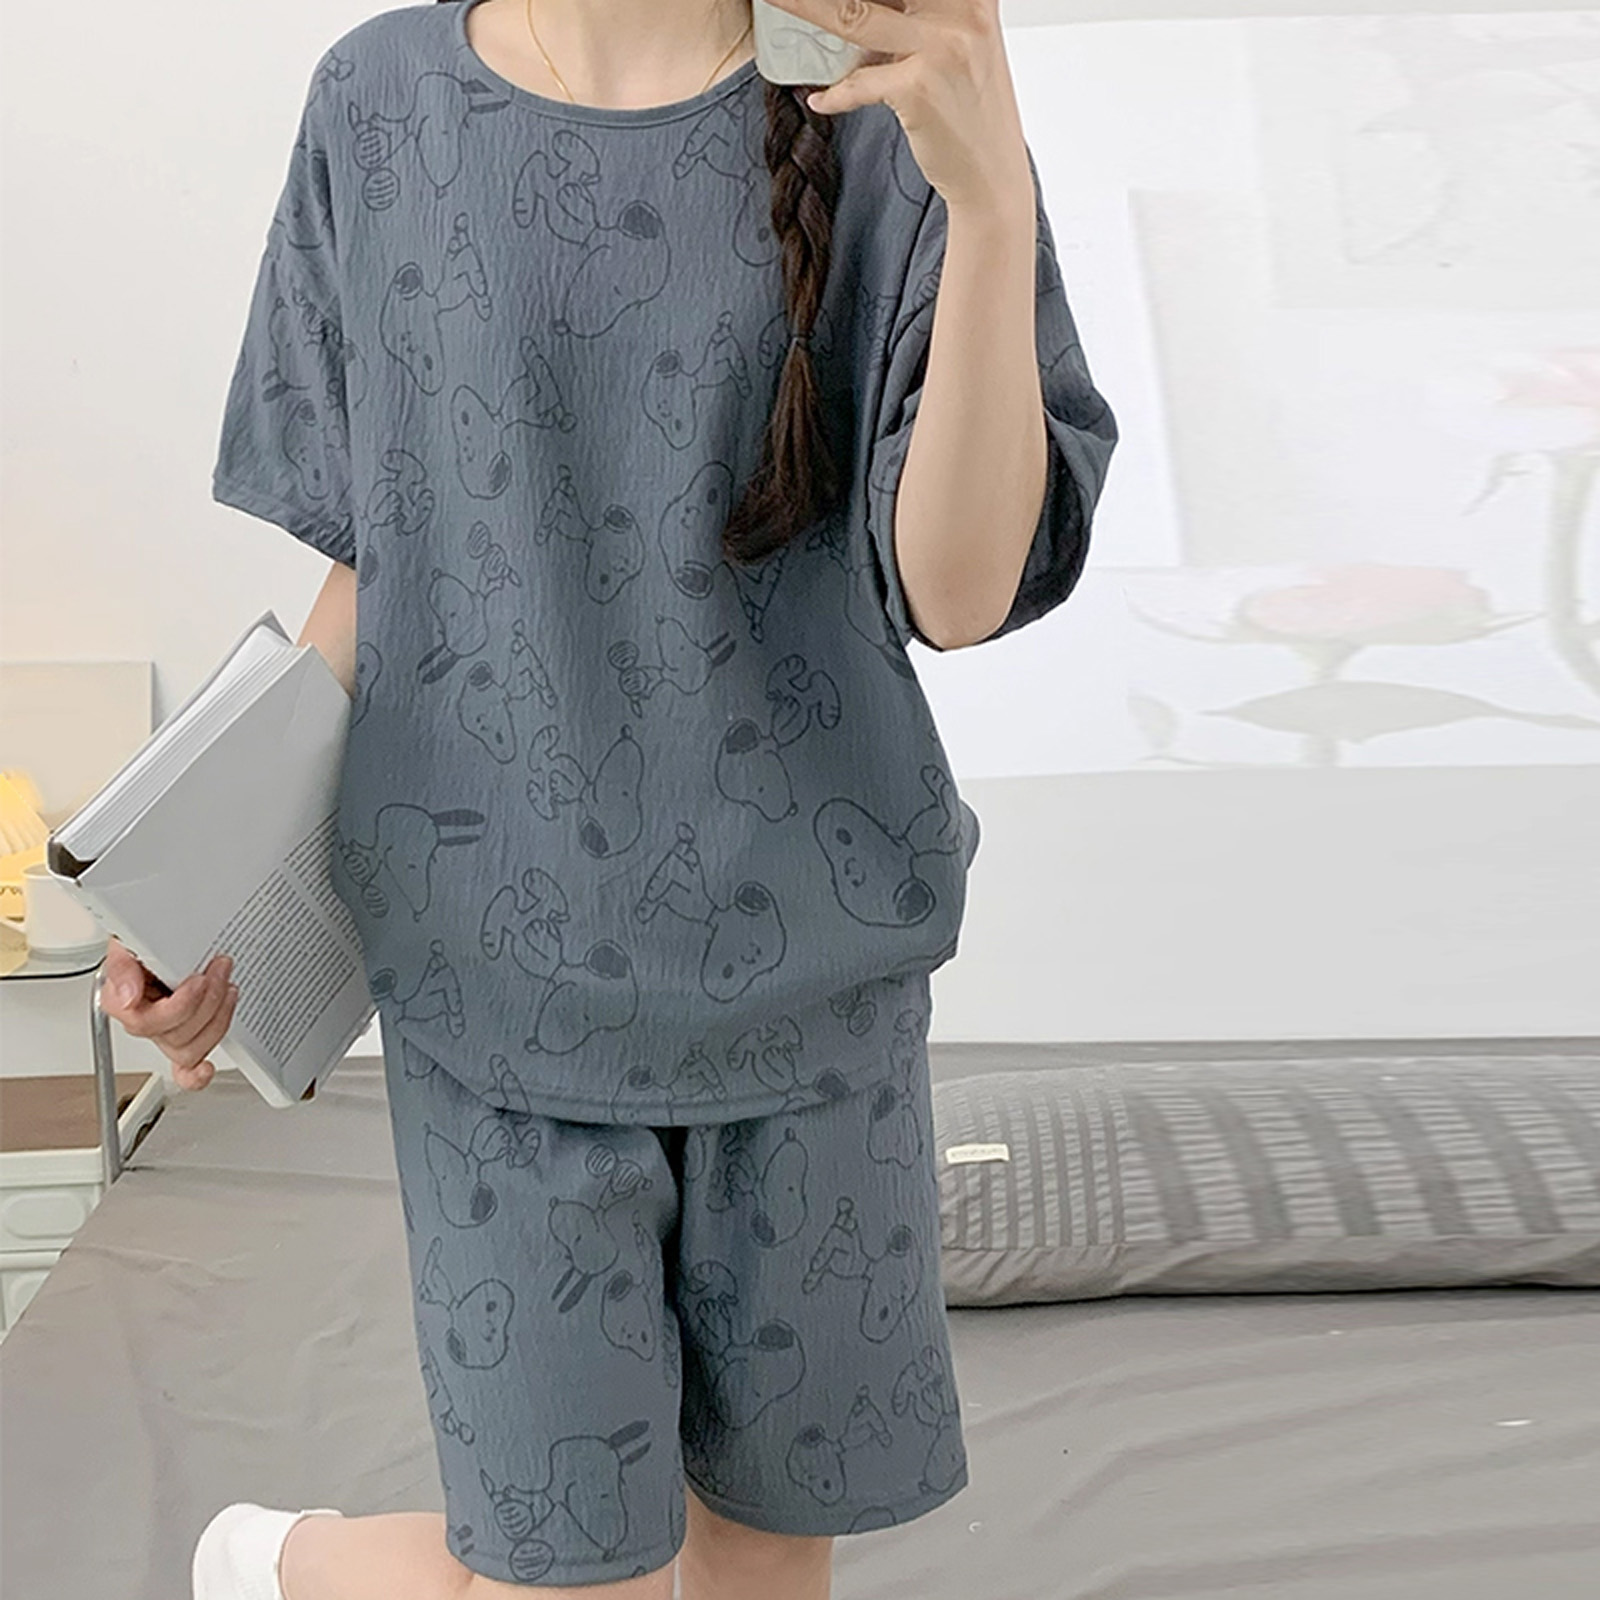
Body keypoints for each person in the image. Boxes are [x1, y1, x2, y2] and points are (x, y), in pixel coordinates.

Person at [104, 1, 1117, 1595]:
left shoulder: (884, 97)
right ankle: (295, 1567)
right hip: (499, 1008)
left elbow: (958, 592)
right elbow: (384, 567)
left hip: (813, 999)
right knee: (570, 1583)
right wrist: (199, 896)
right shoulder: (378, 102)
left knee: (763, 1565)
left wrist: (991, 204)